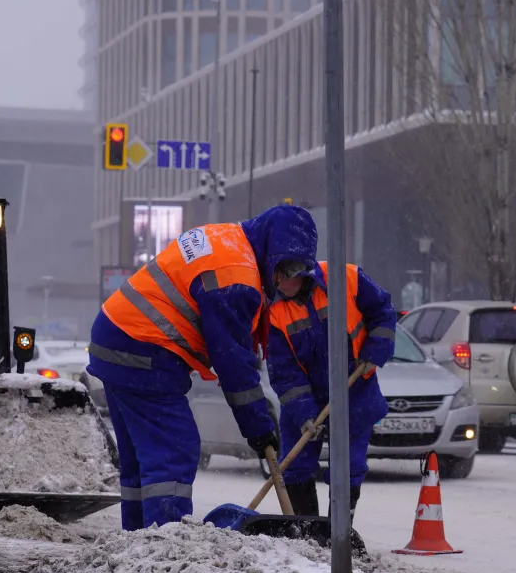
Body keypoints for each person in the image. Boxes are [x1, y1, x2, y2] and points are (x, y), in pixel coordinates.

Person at [88, 205, 318, 531]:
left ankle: (138, 545)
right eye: (285, 267)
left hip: (117, 337)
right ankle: (164, 547)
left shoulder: (228, 238)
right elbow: (233, 361)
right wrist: (258, 427)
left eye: (297, 273)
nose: (284, 280)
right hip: (144, 347)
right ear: (271, 246)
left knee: (142, 460)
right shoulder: (236, 278)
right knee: (174, 451)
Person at [266, 261, 398, 518]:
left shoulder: (346, 278)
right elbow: (283, 370)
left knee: (347, 467)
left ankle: (339, 534)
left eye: (281, 279)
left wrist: (376, 349)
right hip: (304, 396)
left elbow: (383, 312)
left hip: (354, 389)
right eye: (273, 280)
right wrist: (303, 412)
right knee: (295, 466)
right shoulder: (274, 310)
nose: (277, 286)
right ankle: (307, 533)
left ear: (298, 273)